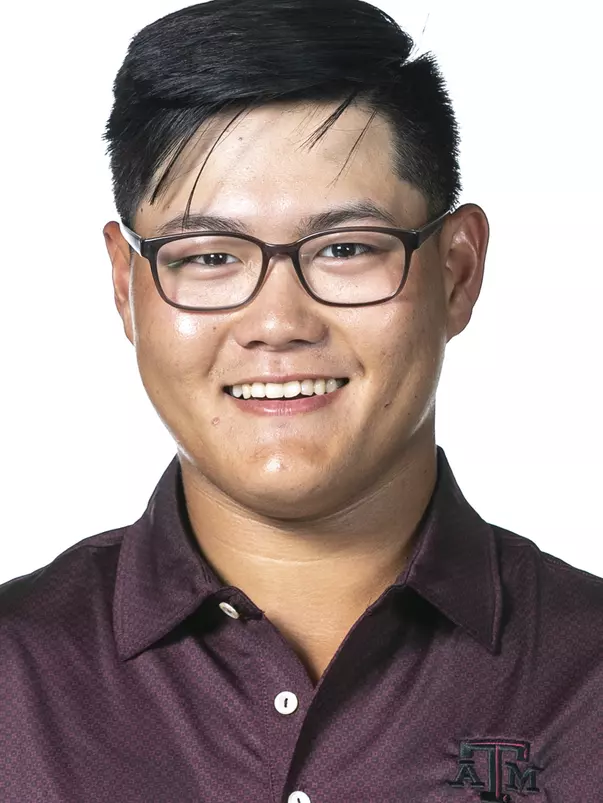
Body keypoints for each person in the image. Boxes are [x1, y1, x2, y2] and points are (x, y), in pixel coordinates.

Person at [1, 0, 601, 800]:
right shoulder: (16, 678)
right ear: (125, 285)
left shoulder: (586, 679)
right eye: (208, 255)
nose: (277, 323)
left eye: (345, 248)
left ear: (456, 271)